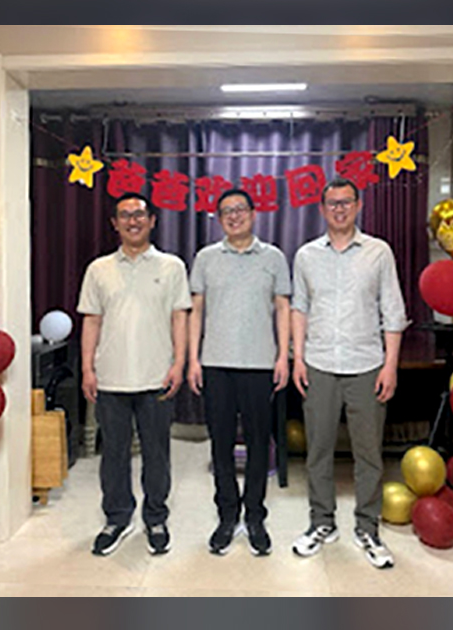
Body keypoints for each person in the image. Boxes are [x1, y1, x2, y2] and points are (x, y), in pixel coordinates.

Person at [290, 178, 408, 569]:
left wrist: (390, 365)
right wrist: (298, 358)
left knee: (368, 454)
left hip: (367, 365)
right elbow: (300, 308)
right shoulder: (307, 255)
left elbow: (393, 310)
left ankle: (367, 527)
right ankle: (321, 523)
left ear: (358, 206)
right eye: (331, 204)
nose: (339, 209)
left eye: (346, 203)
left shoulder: (378, 253)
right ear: (321, 210)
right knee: (318, 451)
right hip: (320, 364)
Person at [77, 192, 191, 557]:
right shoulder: (99, 269)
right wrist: (87, 368)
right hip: (110, 378)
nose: (133, 220)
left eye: (140, 214)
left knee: (157, 454)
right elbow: (91, 320)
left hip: (157, 377)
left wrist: (179, 364)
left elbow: (180, 317)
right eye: (125, 215)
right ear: (115, 223)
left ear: (152, 220)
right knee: (114, 453)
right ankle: (117, 518)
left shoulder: (171, 267)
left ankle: (155, 518)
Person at [187, 189, 292, 556]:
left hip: (260, 364)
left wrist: (283, 357)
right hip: (216, 365)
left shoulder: (274, 258)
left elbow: (283, 309)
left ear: (253, 213)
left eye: (240, 209)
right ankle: (227, 516)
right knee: (220, 444)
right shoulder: (206, 258)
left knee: (260, 444)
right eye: (226, 211)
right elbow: (195, 311)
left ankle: (256, 517)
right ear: (218, 218)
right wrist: (193, 360)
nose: (234, 216)